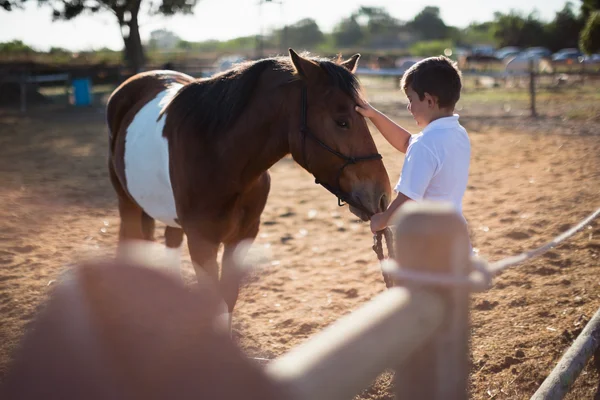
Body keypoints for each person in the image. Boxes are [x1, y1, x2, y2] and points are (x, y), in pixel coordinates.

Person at [356, 56, 470, 234]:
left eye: (411, 100)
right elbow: (406, 142)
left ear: (429, 101)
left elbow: (407, 202)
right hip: (455, 237)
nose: (409, 107)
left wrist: (381, 221)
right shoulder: (457, 134)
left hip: (426, 244)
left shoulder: (425, 144)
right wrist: (373, 114)